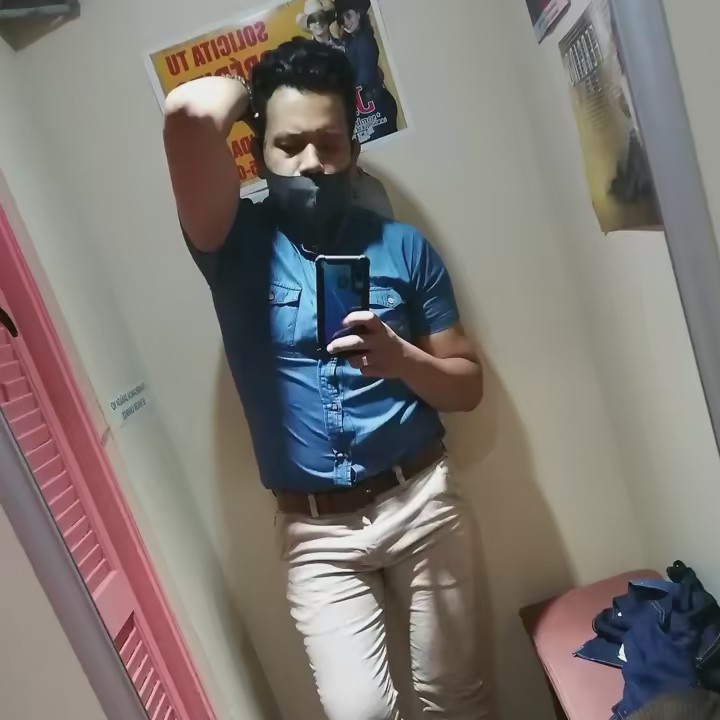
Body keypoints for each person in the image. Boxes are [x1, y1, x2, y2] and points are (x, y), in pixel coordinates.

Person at [163, 38, 487, 720]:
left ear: (354, 150)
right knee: (359, 713)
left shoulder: (404, 247)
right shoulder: (230, 245)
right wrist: (258, 96)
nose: (311, 161)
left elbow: (468, 387)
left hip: (422, 501)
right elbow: (187, 114)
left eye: (329, 143)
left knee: (457, 701)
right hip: (317, 538)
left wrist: (402, 361)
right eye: (289, 145)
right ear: (259, 153)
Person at [335, 0, 399, 142]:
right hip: (369, 106)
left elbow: (365, 78)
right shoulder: (352, 41)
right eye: (341, 19)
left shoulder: (364, 40)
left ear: (358, 14)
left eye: (348, 16)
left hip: (375, 106)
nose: (345, 22)